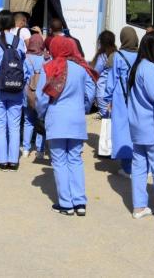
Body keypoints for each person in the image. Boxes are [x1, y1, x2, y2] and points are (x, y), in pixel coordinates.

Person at [35, 37, 97, 215]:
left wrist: (42, 114)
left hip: (56, 119)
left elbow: (42, 98)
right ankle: (80, 202)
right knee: (76, 159)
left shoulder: (49, 67)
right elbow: (90, 93)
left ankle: (66, 203)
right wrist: (83, 108)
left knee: (59, 161)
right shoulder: (81, 69)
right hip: (77, 119)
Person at [127, 33, 154, 219]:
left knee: (139, 166)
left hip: (137, 126)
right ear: (151, 46)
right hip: (152, 127)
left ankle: (139, 206)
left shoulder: (136, 67)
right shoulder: (150, 69)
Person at [0, 10, 27, 171]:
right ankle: (13, 160)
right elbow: (23, 65)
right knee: (14, 125)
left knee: (0, 124)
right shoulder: (19, 41)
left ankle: (2, 161)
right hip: (16, 86)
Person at [104, 27, 138, 178]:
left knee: (122, 131)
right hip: (136, 98)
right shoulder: (140, 55)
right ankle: (140, 165)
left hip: (121, 98)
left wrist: (106, 98)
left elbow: (112, 80)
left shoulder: (118, 56)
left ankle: (127, 167)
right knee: (135, 130)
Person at [23, 34, 48, 159]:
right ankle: (40, 150)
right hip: (42, 94)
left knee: (28, 121)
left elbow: (22, 76)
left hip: (28, 93)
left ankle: (26, 149)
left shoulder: (26, 58)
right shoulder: (46, 58)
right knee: (41, 121)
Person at [91, 30, 117, 119]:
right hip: (114, 94)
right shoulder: (116, 55)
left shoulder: (102, 57)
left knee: (107, 123)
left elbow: (95, 73)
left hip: (102, 93)